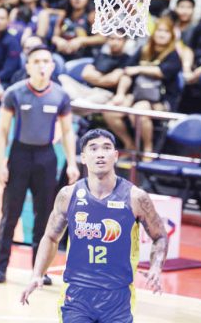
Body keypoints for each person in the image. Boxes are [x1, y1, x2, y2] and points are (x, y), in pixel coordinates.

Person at [20, 129, 168, 322]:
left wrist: (156, 268)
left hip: (117, 298)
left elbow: (160, 236)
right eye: (93, 148)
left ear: (115, 156)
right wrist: (37, 274)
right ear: (83, 157)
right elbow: (50, 237)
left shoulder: (136, 197)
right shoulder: (68, 195)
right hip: (76, 296)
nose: (100, 153)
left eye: (107, 148)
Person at [0, 45, 80, 284]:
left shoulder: (60, 95)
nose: (42, 65)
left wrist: (71, 162)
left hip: (46, 158)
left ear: (52, 66)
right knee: (10, 214)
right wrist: (1, 164)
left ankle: (38, 272)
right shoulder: (14, 93)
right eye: (37, 61)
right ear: (28, 66)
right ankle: (0, 267)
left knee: (44, 218)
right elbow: (2, 131)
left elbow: (67, 131)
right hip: (19, 155)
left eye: (46, 61)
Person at [104, 17, 183, 154]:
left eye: (166, 31)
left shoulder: (173, 55)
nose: (161, 34)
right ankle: (130, 145)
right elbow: (127, 71)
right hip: (137, 94)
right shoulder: (144, 50)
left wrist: (139, 68)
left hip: (162, 100)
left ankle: (147, 149)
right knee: (110, 111)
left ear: (171, 35)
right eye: (159, 30)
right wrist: (121, 94)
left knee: (139, 110)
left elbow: (161, 72)